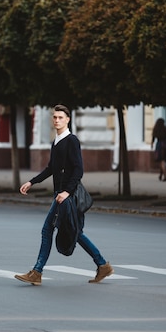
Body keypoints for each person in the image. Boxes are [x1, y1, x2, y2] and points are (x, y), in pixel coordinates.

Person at [15, 104, 113, 286]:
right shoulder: (57, 141)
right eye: (55, 117)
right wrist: (32, 182)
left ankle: (37, 272)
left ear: (68, 119)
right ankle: (102, 264)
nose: (57, 120)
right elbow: (51, 169)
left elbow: (78, 170)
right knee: (76, 232)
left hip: (67, 196)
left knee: (47, 230)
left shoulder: (71, 140)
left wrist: (66, 192)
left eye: (60, 117)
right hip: (60, 195)